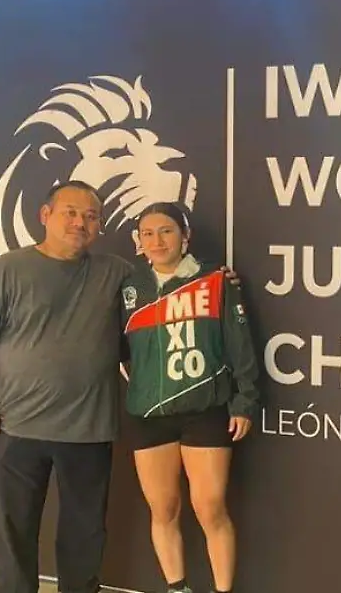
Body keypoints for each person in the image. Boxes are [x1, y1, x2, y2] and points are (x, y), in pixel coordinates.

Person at [0, 181, 240, 593]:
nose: (80, 223)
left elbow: (169, 280)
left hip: (90, 430)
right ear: (45, 215)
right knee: (14, 530)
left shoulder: (118, 273)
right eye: (70, 212)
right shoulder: (8, 269)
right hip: (20, 428)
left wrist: (217, 280)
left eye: (90, 216)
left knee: (84, 534)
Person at [119, 202, 260, 593]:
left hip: (205, 409)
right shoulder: (129, 287)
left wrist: (245, 400)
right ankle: (176, 587)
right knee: (163, 508)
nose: (157, 241)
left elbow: (241, 345)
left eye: (166, 231)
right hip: (149, 413)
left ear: (185, 236)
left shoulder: (216, 280)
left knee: (210, 507)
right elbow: (117, 348)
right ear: (139, 241)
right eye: (148, 234)